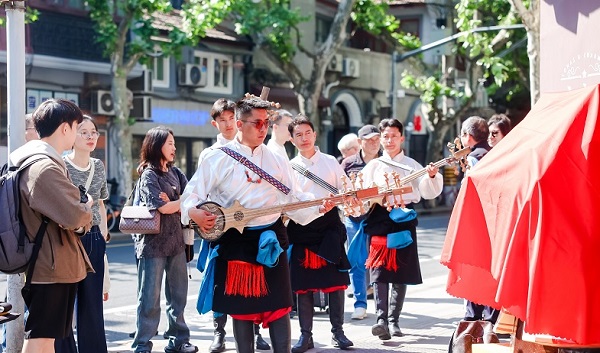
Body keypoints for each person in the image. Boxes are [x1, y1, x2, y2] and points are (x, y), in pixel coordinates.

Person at [181, 96, 335, 353]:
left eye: (266, 123)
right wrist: (193, 213)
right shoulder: (216, 157)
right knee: (242, 310)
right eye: (257, 123)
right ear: (240, 125)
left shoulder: (277, 157)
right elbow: (191, 196)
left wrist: (319, 205)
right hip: (236, 242)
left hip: (271, 239)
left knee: (280, 307)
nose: (263, 128)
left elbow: (293, 196)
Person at [8, 98, 94, 353]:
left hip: (48, 262)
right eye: (77, 127)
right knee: (41, 338)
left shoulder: (35, 160)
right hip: (50, 264)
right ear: (64, 128)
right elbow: (76, 216)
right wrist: (86, 205)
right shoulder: (44, 167)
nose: (77, 134)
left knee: (47, 338)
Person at [197, 98, 271, 353]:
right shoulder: (211, 155)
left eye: (231, 119)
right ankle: (219, 332)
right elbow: (199, 195)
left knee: (251, 284)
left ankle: (255, 331)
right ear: (214, 123)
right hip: (223, 229)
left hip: (252, 227)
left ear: (238, 122)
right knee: (221, 283)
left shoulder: (259, 150)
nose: (228, 125)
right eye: (222, 120)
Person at [359, 118, 443, 340]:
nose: (389, 141)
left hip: (403, 219)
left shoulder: (413, 165)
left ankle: (394, 320)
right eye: (385, 136)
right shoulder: (373, 167)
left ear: (402, 138)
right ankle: (381, 319)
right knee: (379, 272)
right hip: (379, 220)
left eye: (393, 136)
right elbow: (363, 195)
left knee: (399, 272)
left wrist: (432, 175)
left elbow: (427, 191)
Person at [287, 115, 353, 352]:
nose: (304, 138)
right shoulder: (288, 167)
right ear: (292, 140)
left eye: (307, 133)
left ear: (315, 134)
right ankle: (306, 336)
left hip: (329, 229)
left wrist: (347, 201)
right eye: (298, 135)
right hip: (302, 230)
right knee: (304, 287)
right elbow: (289, 200)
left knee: (335, 285)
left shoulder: (331, 162)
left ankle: (339, 333)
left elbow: (346, 190)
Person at [131, 126, 197, 353]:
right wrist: (177, 202)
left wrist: (175, 202)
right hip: (152, 245)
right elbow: (162, 207)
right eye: (170, 143)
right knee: (149, 299)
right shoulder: (148, 174)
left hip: (176, 243)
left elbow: (190, 201)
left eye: (174, 143)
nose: (174, 147)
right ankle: (142, 344)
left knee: (178, 297)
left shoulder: (176, 173)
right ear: (157, 145)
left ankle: (179, 341)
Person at [55, 116, 109, 353]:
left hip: (94, 237)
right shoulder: (61, 165)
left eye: (93, 132)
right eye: (84, 132)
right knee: (65, 303)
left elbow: (100, 205)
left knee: (92, 306)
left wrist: (104, 240)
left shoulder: (98, 166)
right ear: (72, 136)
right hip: (68, 237)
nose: (90, 137)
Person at [459, 116, 499, 324]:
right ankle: (492, 317)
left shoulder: (474, 158)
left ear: (468, 136)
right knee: (491, 268)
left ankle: (473, 317)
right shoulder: (494, 153)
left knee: (474, 268)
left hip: (478, 221)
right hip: (494, 220)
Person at [340, 124, 381, 320]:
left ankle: (384, 308)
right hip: (354, 219)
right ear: (359, 142)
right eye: (369, 140)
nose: (374, 143)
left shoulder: (385, 163)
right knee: (357, 260)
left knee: (380, 263)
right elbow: (339, 188)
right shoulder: (348, 163)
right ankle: (360, 303)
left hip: (379, 218)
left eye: (376, 139)